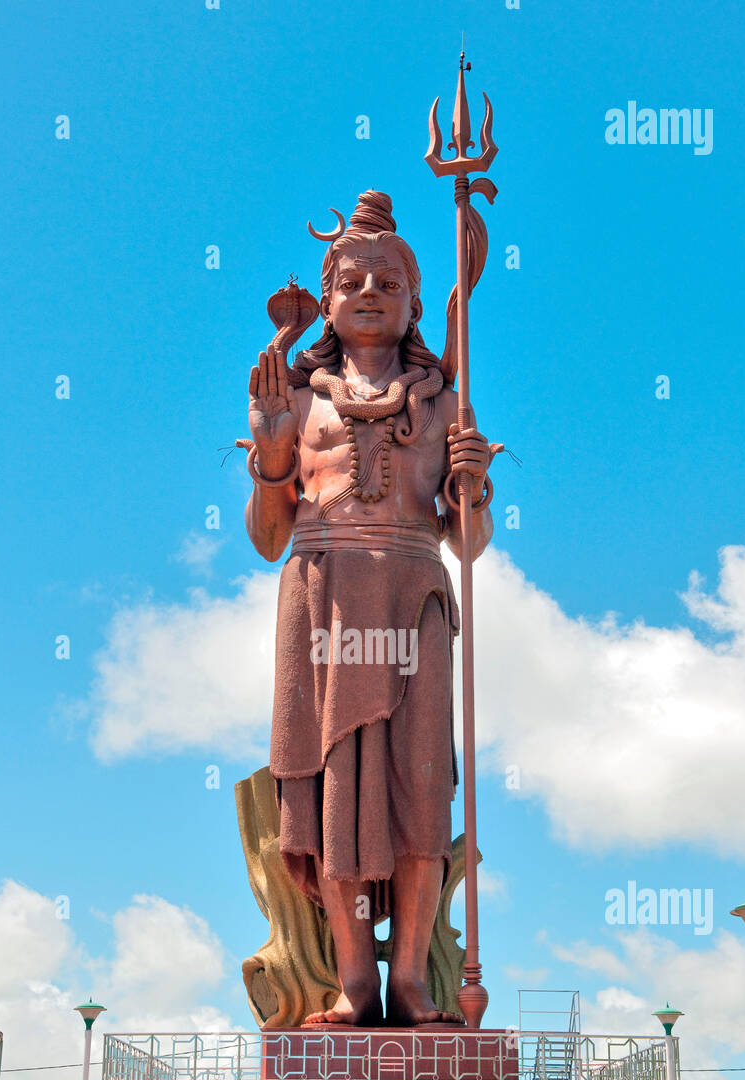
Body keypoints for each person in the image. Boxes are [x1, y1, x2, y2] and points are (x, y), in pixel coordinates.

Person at [245, 191, 496, 1026]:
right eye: (351, 279)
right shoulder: (303, 398)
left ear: (415, 301)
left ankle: (412, 982)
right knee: (337, 794)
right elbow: (268, 536)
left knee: (421, 791)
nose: (369, 291)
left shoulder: (442, 398)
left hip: (416, 591)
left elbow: (470, 543)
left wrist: (473, 482)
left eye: (388, 279)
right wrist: (271, 451)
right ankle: (355, 982)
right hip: (323, 595)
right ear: (327, 298)